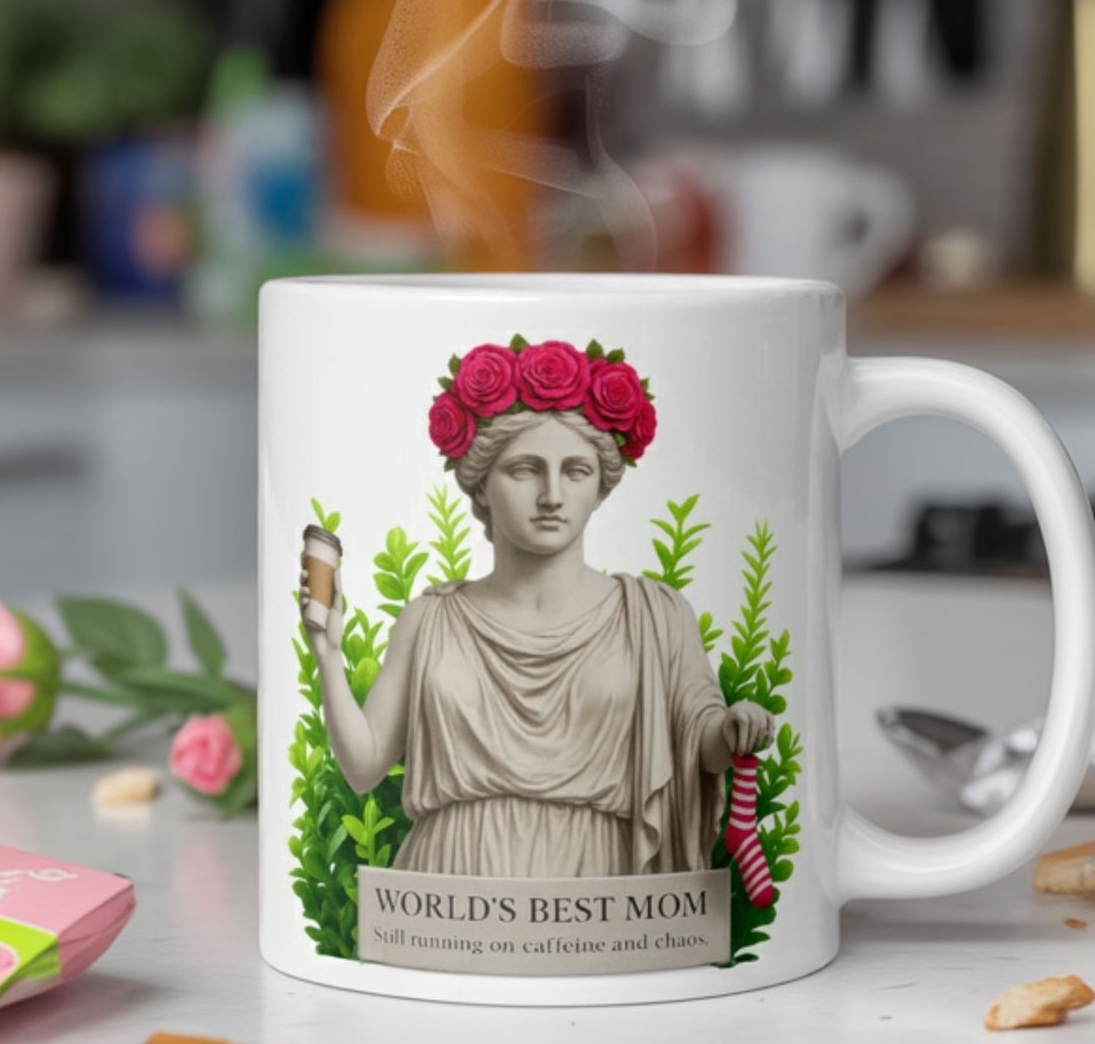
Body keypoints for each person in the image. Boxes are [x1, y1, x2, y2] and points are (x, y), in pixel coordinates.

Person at [301, 337, 773, 879]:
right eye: (525, 470)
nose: (552, 495)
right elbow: (362, 768)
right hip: (455, 873)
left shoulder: (655, 616)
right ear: (480, 486)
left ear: (599, 487)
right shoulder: (430, 621)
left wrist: (734, 729)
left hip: (595, 876)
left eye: (575, 471)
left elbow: (701, 742)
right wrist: (328, 652)